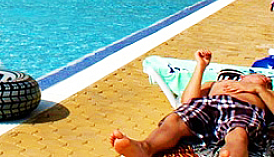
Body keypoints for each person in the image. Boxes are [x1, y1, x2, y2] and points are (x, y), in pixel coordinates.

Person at [110, 49, 274, 157]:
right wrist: (200, 67)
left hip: (242, 109)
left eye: (268, 81)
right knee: (176, 119)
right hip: (208, 104)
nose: (267, 79)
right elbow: (187, 101)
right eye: (262, 76)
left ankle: (231, 154)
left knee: (238, 133)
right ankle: (145, 147)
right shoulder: (216, 84)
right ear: (243, 76)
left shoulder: (264, 93)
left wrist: (259, 89)